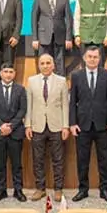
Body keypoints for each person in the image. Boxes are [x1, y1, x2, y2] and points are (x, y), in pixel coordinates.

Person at [69, 46, 107, 201]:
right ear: (84, 58)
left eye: (95, 57)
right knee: (82, 160)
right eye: (89, 56)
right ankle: (83, 189)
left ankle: (105, 190)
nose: (92, 59)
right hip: (82, 126)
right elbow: (72, 101)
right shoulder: (76, 75)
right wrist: (72, 123)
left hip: (103, 126)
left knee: (104, 160)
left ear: (99, 58)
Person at [25, 53, 67, 201]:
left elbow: (65, 105)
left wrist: (65, 126)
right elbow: (29, 105)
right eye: (42, 63)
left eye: (48, 63)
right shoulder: (31, 81)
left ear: (53, 65)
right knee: (38, 159)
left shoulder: (62, 81)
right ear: (38, 65)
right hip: (37, 126)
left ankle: (58, 189)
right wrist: (28, 125)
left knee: (58, 160)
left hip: (57, 126)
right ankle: (40, 188)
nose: (45, 66)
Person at [0, 62, 27, 202]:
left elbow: (22, 109)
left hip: (15, 132)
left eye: (11, 72)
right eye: (5, 72)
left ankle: (18, 190)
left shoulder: (20, 89)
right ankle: (1, 190)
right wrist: (1, 125)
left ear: (14, 74)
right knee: (0, 164)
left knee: (17, 164)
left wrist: (11, 126)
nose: (8, 74)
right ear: (0, 73)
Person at [30, 0, 72, 70]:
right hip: (43, 36)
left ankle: (60, 79)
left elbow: (69, 19)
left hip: (60, 36)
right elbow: (34, 19)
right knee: (44, 62)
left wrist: (68, 38)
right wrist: (35, 38)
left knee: (60, 64)